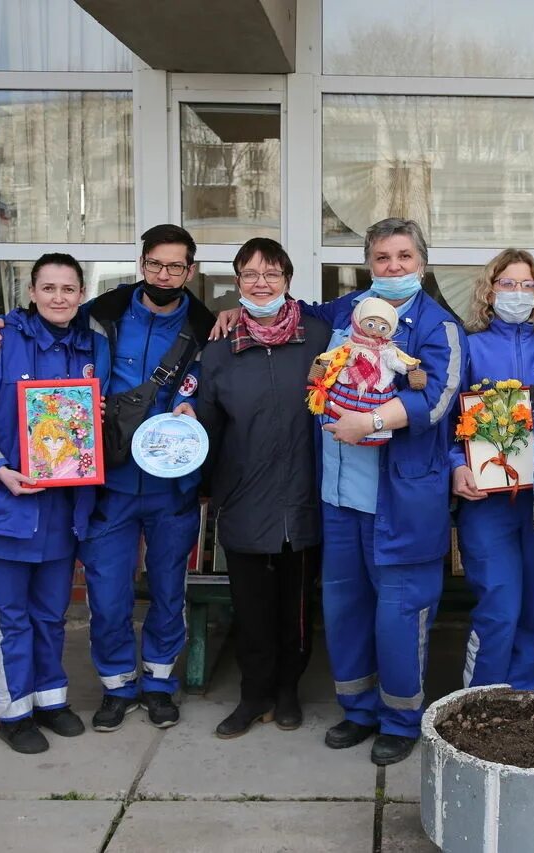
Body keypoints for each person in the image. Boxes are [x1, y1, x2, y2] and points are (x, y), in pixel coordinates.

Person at [214, 218, 465, 765]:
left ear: (421, 261)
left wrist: (371, 423)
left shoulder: (437, 324)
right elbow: (288, 309)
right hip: (338, 495)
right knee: (346, 606)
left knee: (399, 612)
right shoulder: (347, 309)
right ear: (369, 263)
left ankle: (400, 719)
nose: (392, 267)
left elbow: (439, 399)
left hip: (399, 501)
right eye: (381, 258)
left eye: (403, 256)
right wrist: (238, 308)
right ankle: (358, 711)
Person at [0, 224, 214, 733]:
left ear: (190, 271)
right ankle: (117, 685)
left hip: (174, 484)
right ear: (141, 264)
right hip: (108, 483)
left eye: (176, 266)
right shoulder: (99, 315)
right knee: (108, 596)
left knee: (170, 592)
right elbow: (41, 322)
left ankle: (159, 683)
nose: (164, 274)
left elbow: (216, 390)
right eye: (155, 264)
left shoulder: (207, 324)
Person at [0, 253, 94, 754]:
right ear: (31, 293)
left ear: (82, 294)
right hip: (3, 509)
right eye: (49, 288)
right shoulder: (1, 340)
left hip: (60, 510)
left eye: (69, 289)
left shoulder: (91, 343)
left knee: (51, 615)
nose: (59, 297)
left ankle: (51, 700)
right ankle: (14, 713)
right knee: (7, 616)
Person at [196, 238, 331, 738]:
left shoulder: (320, 337)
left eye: (271, 274)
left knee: (296, 607)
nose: (260, 283)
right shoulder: (218, 349)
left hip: (305, 496)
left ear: (288, 281)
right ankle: (253, 695)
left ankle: (287, 691)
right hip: (244, 497)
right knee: (251, 607)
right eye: (250, 275)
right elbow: (206, 425)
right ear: (237, 283)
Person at [450, 248, 534, 691]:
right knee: (499, 607)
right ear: (490, 290)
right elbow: (445, 421)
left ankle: (521, 702)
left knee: (533, 610)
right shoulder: (468, 346)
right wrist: (456, 466)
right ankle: (481, 701)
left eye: (526, 285)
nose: (517, 293)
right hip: (487, 502)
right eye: (507, 284)